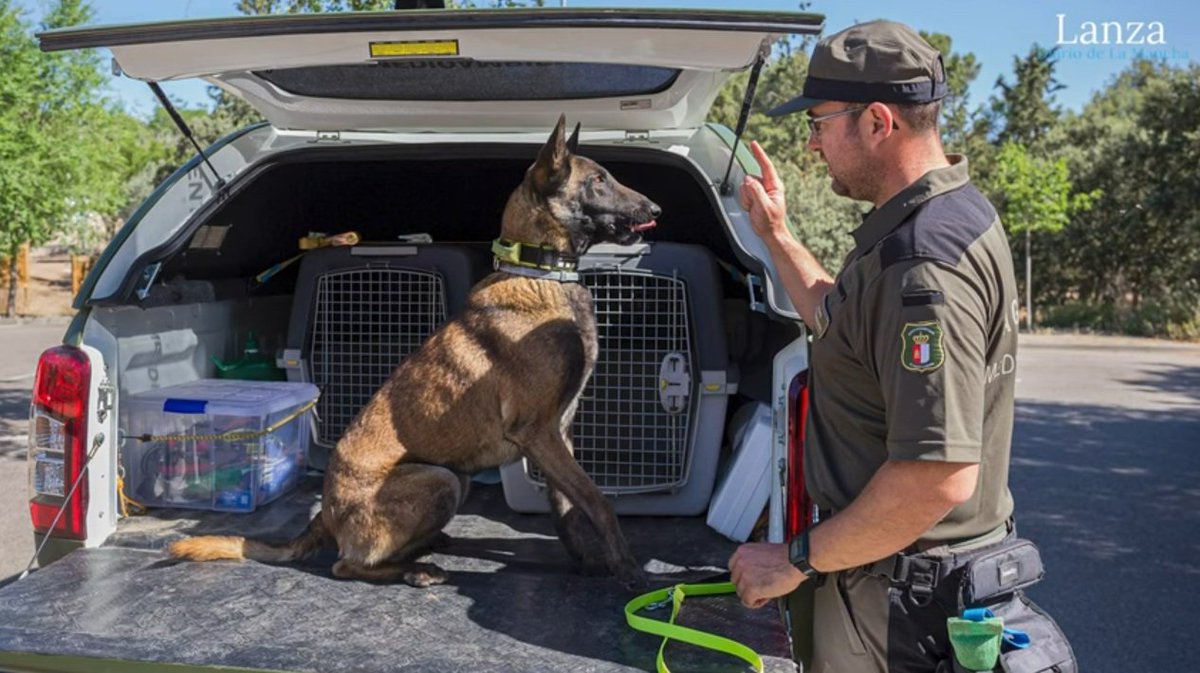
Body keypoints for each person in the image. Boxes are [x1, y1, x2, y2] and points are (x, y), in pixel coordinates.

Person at [728, 20, 1034, 673]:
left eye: (817, 124)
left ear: (875, 122)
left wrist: (792, 558)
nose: (812, 147)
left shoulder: (925, 264)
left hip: (902, 603)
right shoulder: (931, 223)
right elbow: (840, 318)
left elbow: (935, 475)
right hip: (890, 576)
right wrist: (777, 234)